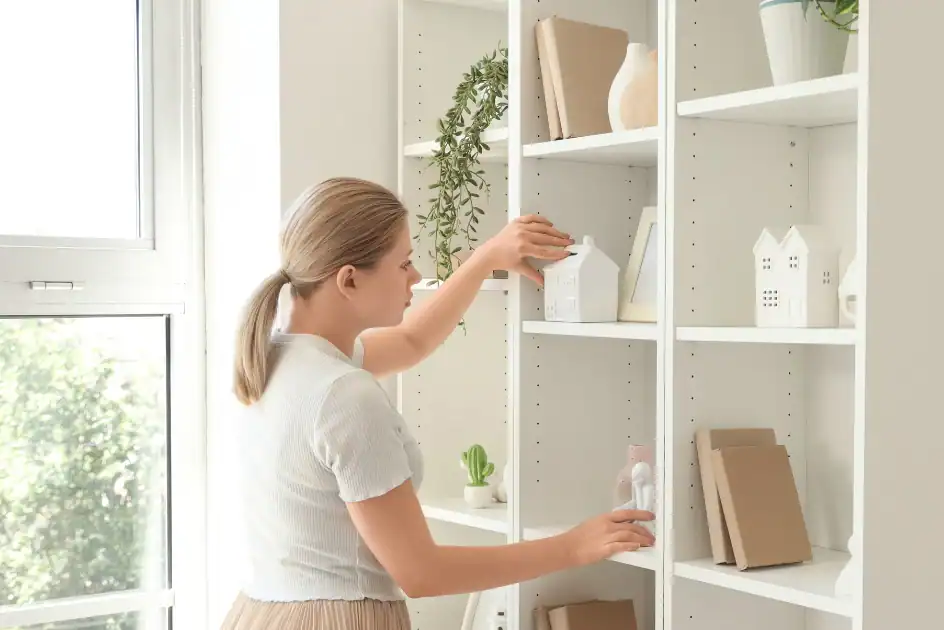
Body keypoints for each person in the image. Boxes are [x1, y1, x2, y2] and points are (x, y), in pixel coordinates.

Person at [220, 177, 655, 630]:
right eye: (404, 263)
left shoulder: (273, 358)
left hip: (260, 613)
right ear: (348, 279)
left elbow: (412, 341)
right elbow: (421, 572)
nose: (414, 276)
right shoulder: (343, 395)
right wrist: (573, 546)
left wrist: (486, 258)